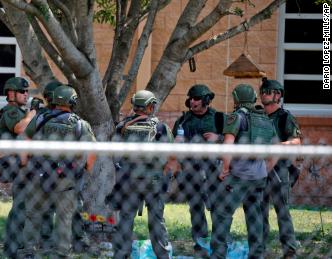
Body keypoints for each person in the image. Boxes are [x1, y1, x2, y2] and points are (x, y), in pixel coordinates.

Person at [22, 85, 96, 258]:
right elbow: (93, 149)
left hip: (39, 173)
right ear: (72, 101)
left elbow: (25, 138)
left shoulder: (41, 118)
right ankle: (62, 251)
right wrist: (87, 168)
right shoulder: (79, 123)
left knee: (33, 213)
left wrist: (24, 162)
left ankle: (28, 250)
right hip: (66, 175)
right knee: (64, 216)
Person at [210, 84, 278, 259]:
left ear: (236, 98)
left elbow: (228, 145)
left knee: (222, 213)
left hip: (238, 176)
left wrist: (225, 169)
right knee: (254, 215)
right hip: (259, 177)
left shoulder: (236, 117)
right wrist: (264, 170)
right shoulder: (264, 118)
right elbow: (274, 150)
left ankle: (218, 255)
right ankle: (257, 254)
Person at [109, 90, 174, 259]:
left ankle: (121, 254)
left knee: (125, 219)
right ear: (150, 106)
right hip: (153, 180)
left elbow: (114, 154)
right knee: (156, 220)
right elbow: (170, 155)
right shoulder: (160, 127)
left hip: (128, 180)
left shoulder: (122, 127)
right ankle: (163, 255)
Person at [171, 84, 225, 255]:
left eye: (196, 98)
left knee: (217, 205)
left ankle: (219, 241)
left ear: (206, 100)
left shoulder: (218, 118)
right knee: (195, 206)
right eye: (191, 98)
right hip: (190, 169)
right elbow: (176, 140)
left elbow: (233, 139)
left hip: (213, 168)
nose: (192, 101)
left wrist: (219, 137)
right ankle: (200, 241)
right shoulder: (183, 120)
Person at [259, 78, 301, 259]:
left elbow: (296, 142)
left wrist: (278, 146)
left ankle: (289, 249)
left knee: (282, 211)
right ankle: (260, 248)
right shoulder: (258, 116)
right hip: (259, 169)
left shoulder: (285, 117)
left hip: (279, 170)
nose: (263, 94)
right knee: (259, 211)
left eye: (267, 91)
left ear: (277, 95)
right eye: (262, 91)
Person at [0, 76, 36, 258]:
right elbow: (20, 128)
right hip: (18, 164)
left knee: (24, 205)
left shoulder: (19, 111)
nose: (25, 94)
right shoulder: (11, 111)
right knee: (21, 206)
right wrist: (33, 113)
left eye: (27, 91)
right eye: (22, 91)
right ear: (11, 93)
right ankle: (14, 247)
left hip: (23, 163)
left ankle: (17, 245)